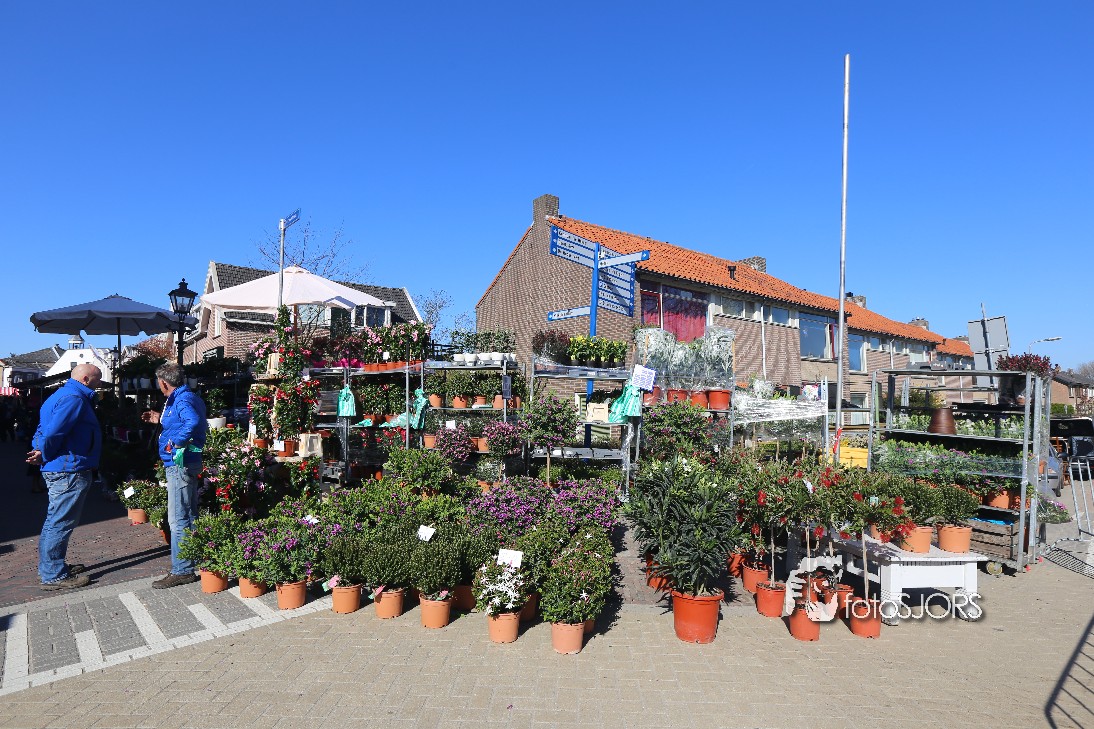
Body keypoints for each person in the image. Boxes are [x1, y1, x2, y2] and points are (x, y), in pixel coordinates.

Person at [26, 364, 104, 591]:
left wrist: (40, 450)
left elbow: (43, 429)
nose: (100, 383)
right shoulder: (74, 399)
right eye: (98, 379)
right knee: (60, 522)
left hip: (64, 466)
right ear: (86, 379)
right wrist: (44, 452)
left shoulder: (60, 395)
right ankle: (53, 574)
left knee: (56, 520)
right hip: (69, 467)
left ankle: (52, 567)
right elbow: (54, 432)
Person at [142, 362, 207, 589]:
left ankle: (182, 570)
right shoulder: (185, 397)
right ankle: (193, 560)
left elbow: (192, 421)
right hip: (187, 461)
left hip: (180, 462)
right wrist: (160, 419)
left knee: (178, 518)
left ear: (163, 383)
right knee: (189, 514)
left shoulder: (181, 399)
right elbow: (186, 420)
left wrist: (176, 443)